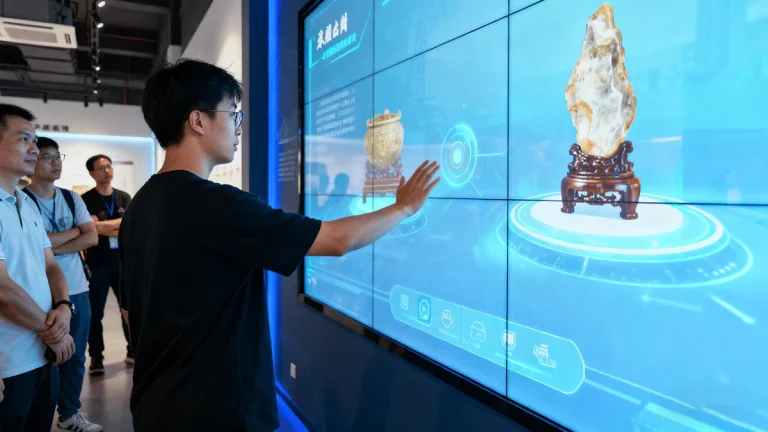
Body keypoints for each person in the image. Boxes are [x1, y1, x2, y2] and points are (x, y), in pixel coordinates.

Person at [119, 59, 440, 431]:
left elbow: (129, 314)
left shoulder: (140, 206)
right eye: (232, 114)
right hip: (215, 412)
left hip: (157, 406)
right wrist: (403, 208)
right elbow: (336, 240)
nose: (239, 127)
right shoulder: (217, 205)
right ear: (198, 121)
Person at [0, 104, 76, 431]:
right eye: (24, 139)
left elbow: (51, 265)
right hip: (8, 362)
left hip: (42, 356)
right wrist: (54, 332)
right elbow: (3, 290)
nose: (34, 149)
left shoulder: (25, 202)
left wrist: (64, 306)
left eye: (35, 140)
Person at [25, 137, 103, 431]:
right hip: (40, 292)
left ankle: (69, 413)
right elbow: (31, 247)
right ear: (32, 160)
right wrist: (74, 232)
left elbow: (92, 237)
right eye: (48, 157)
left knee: (76, 354)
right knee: (45, 357)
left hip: (78, 289)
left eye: (58, 156)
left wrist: (48, 244)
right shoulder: (22, 200)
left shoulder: (71, 198)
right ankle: (40, 415)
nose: (56, 162)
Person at [81, 154, 132, 374]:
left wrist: (102, 226)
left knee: (129, 308)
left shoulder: (123, 197)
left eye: (109, 166)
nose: (107, 171)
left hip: (122, 262)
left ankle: (133, 350)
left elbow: (129, 225)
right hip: (97, 263)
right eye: (101, 168)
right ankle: (96, 357)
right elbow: (90, 230)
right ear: (92, 173)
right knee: (95, 313)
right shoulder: (85, 200)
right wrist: (115, 225)